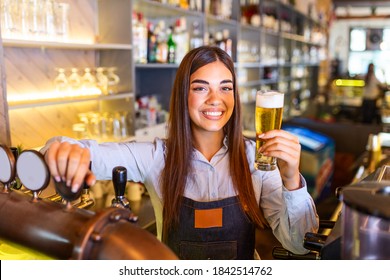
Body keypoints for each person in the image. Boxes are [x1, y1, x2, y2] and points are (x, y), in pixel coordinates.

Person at [41, 46, 319, 260]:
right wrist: (63, 151)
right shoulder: (156, 156)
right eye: (200, 88)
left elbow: (298, 243)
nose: (215, 99)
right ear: (182, 95)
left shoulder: (255, 158)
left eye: (226, 88)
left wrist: (292, 178)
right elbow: (86, 153)